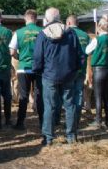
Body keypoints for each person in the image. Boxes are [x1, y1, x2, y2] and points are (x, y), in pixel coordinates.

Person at [33, 8, 83, 145]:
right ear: (59, 17)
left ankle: (48, 138)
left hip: (49, 75)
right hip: (68, 75)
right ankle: (71, 136)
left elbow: (37, 56)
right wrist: (76, 69)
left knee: (49, 106)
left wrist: (38, 70)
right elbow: (79, 54)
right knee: (70, 105)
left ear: (47, 19)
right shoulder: (70, 32)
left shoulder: (42, 34)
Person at [9, 9, 43, 130]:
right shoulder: (42, 31)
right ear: (36, 18)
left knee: (23, 96)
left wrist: (19, 57)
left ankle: (20, 123)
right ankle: (42, 123)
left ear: (25, 18)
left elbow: (12, 51)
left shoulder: (18, 32)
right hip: (39, 69)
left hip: (23, 68)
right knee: (39, 96)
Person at [85, 19, 108, 129]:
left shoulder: (97, 40)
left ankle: (98, 120)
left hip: (98, 70)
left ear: (99, 28)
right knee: (107, 96)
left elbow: (87, 51)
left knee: (98, 96)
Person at [65, 15, 90, 129]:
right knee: (79, 94)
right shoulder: (85, 35)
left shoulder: (66, 33)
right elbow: (90, 51)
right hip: (82, 69)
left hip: (68, 70)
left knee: (68, 95)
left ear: (68, 23)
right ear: (78, 23)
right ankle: (77, 119)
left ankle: (69, 121)